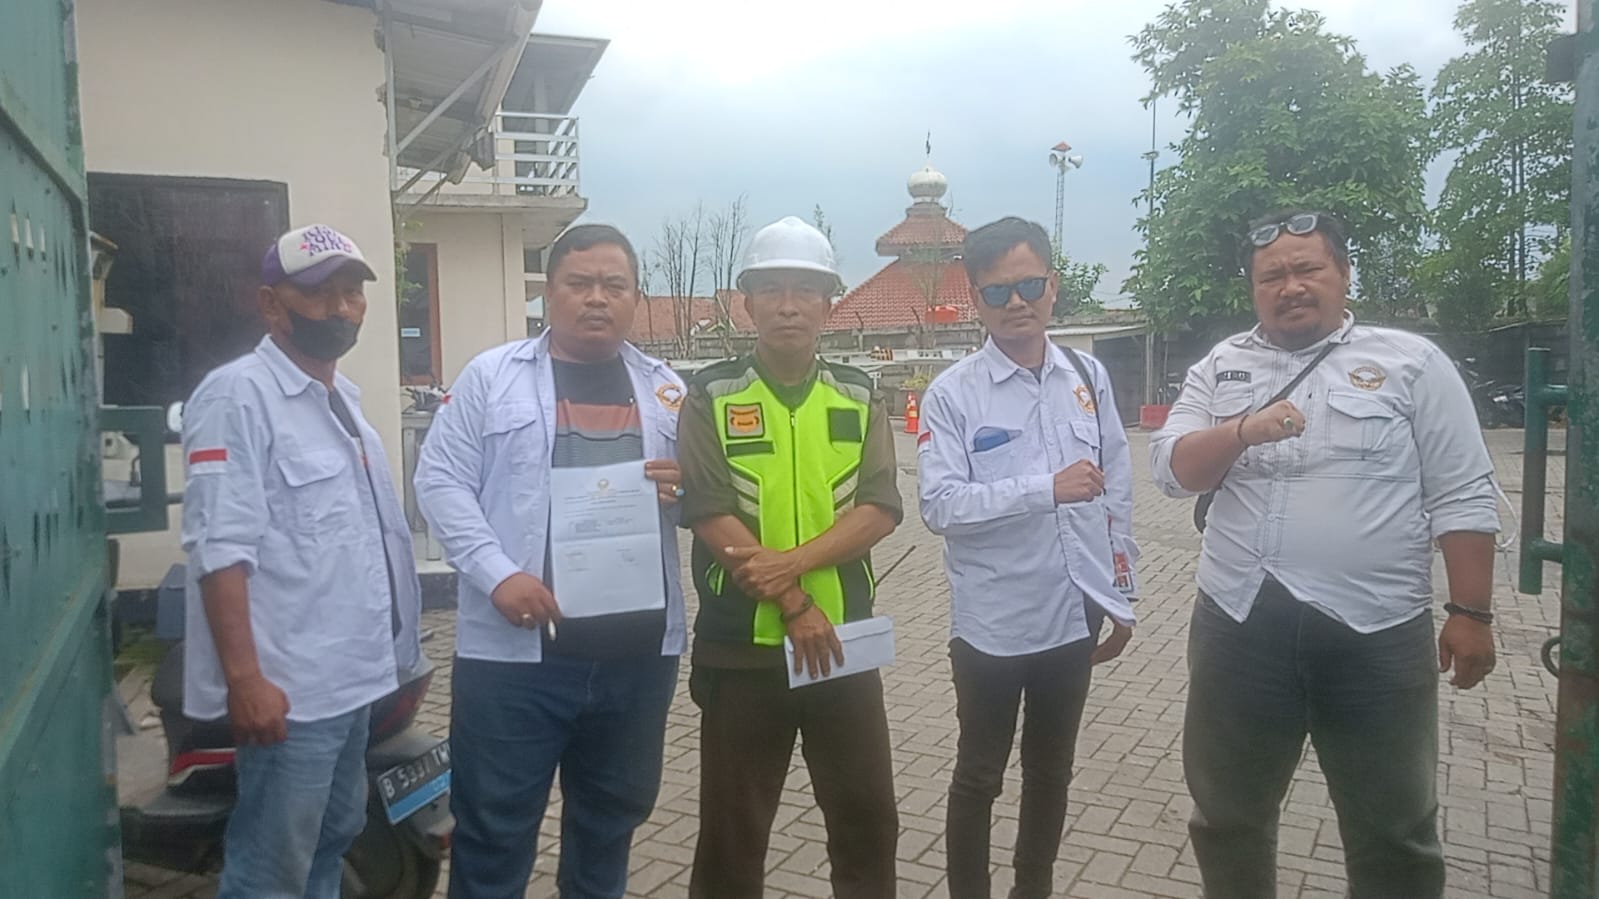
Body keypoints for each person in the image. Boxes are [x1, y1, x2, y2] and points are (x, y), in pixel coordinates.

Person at [1151, 209, 1500, 898]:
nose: (1290, 286)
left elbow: (1462, 492)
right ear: (1253, 289)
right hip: (1238, 625)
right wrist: (1241, 430)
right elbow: (1171, 471)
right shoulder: (1221, 366)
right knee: (1226, 816)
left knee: (1395, 829)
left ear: (1342, 274)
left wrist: (1471, 612)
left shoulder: (1412, 363)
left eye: (1307, 269)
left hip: (1375, 632)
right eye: (1271, 276)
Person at [412, 223, 686, 899]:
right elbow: (439, 480)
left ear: (635, 297)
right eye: (579, 283)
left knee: (608, 832)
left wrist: (686, 488)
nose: (596, 298)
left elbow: (703, 497)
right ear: (548, 292)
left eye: (613, 285)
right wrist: (497, 573)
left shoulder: (668, 391)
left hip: (635, 658)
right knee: (493, 835)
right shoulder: (491, 377)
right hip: (517, 661)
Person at [180, 223, 422, 899]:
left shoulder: (344, 401)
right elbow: (219, 548)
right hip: (292, 693)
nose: (341, 308)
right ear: (271, 304)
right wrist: (245, 680)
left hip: (353, 681)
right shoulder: (237, 397)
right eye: (319, 293)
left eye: (352, 292)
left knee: (332, 839)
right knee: (271, 868)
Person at [677, 215, 901, 899]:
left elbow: (879, 506)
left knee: (868, 824)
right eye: (771, 289)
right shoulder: (710, 394)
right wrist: (793, 602)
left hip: (843, 646)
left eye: (805, 290)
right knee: (732, 836)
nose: (788, 305)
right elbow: (709, 510)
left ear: (829, 302)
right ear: (746, 302)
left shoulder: (859, 393)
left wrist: (792, 565)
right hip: (741, 651)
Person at [916, 216, 1138, 899]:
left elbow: (1116, 488)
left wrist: (1120, 593)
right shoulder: (952, 394)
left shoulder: (1086, 375)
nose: (1016, 302)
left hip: (1071, 614)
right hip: (992, 623)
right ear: (975, 299)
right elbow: (939, 506)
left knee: (1051, 771)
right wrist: (1044, 488)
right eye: (997, 291)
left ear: (1053, 286)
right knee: (979, 775)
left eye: (1029, 286)